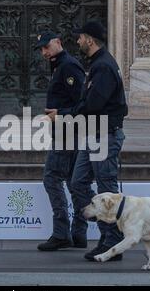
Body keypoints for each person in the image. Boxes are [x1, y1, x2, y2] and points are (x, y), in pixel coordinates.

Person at [45, 21, 129, 261]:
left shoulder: (103, 66)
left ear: (90, 40)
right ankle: (103, 224)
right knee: (77, 182)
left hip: (105, 134)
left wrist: (63, 115)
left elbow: (93, 105)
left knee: (106, 188)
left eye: (80, 37)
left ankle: (112, 241)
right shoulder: (97, 64)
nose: (78, 41)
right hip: (93, 134)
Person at [34, 31, 87, 251]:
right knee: (74, 181)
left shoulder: (68, 66)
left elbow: (82, 102)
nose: (44, 52)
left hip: (69, 131)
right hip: (68, 130)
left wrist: (61, 114)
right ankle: (79, 232)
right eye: (42, 49)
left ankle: (61, 232)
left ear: (58, 42)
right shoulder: (59, 66)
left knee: (52, 178)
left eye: (47, 47)